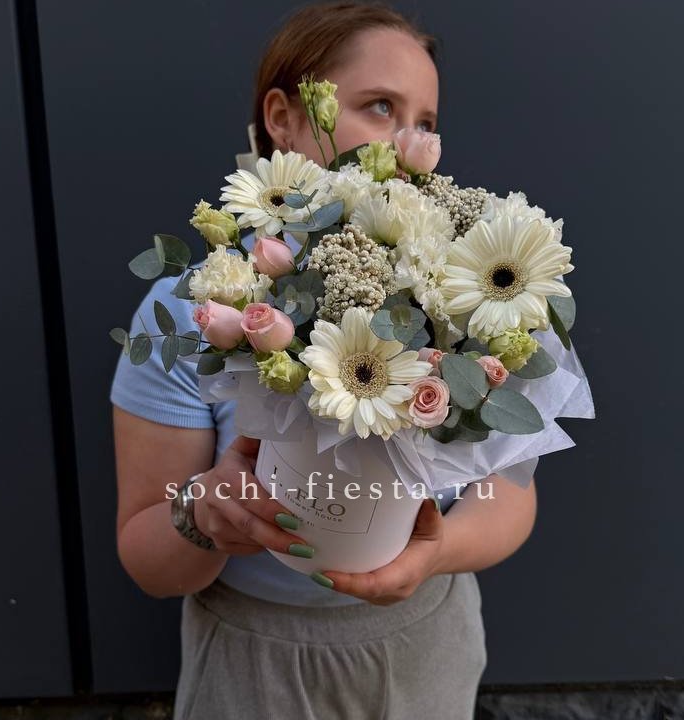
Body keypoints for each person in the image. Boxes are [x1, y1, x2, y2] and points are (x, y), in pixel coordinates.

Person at [111, 3, 537, 718]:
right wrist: (201, 513)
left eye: (426, 122)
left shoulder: (460, 297)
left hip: (426, 644)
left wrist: (435, 552)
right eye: (380, 107)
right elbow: (146, 559)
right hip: (253, 657)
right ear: (284, 118)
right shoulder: (203, 309)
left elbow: (511, 499)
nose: (407, 142)